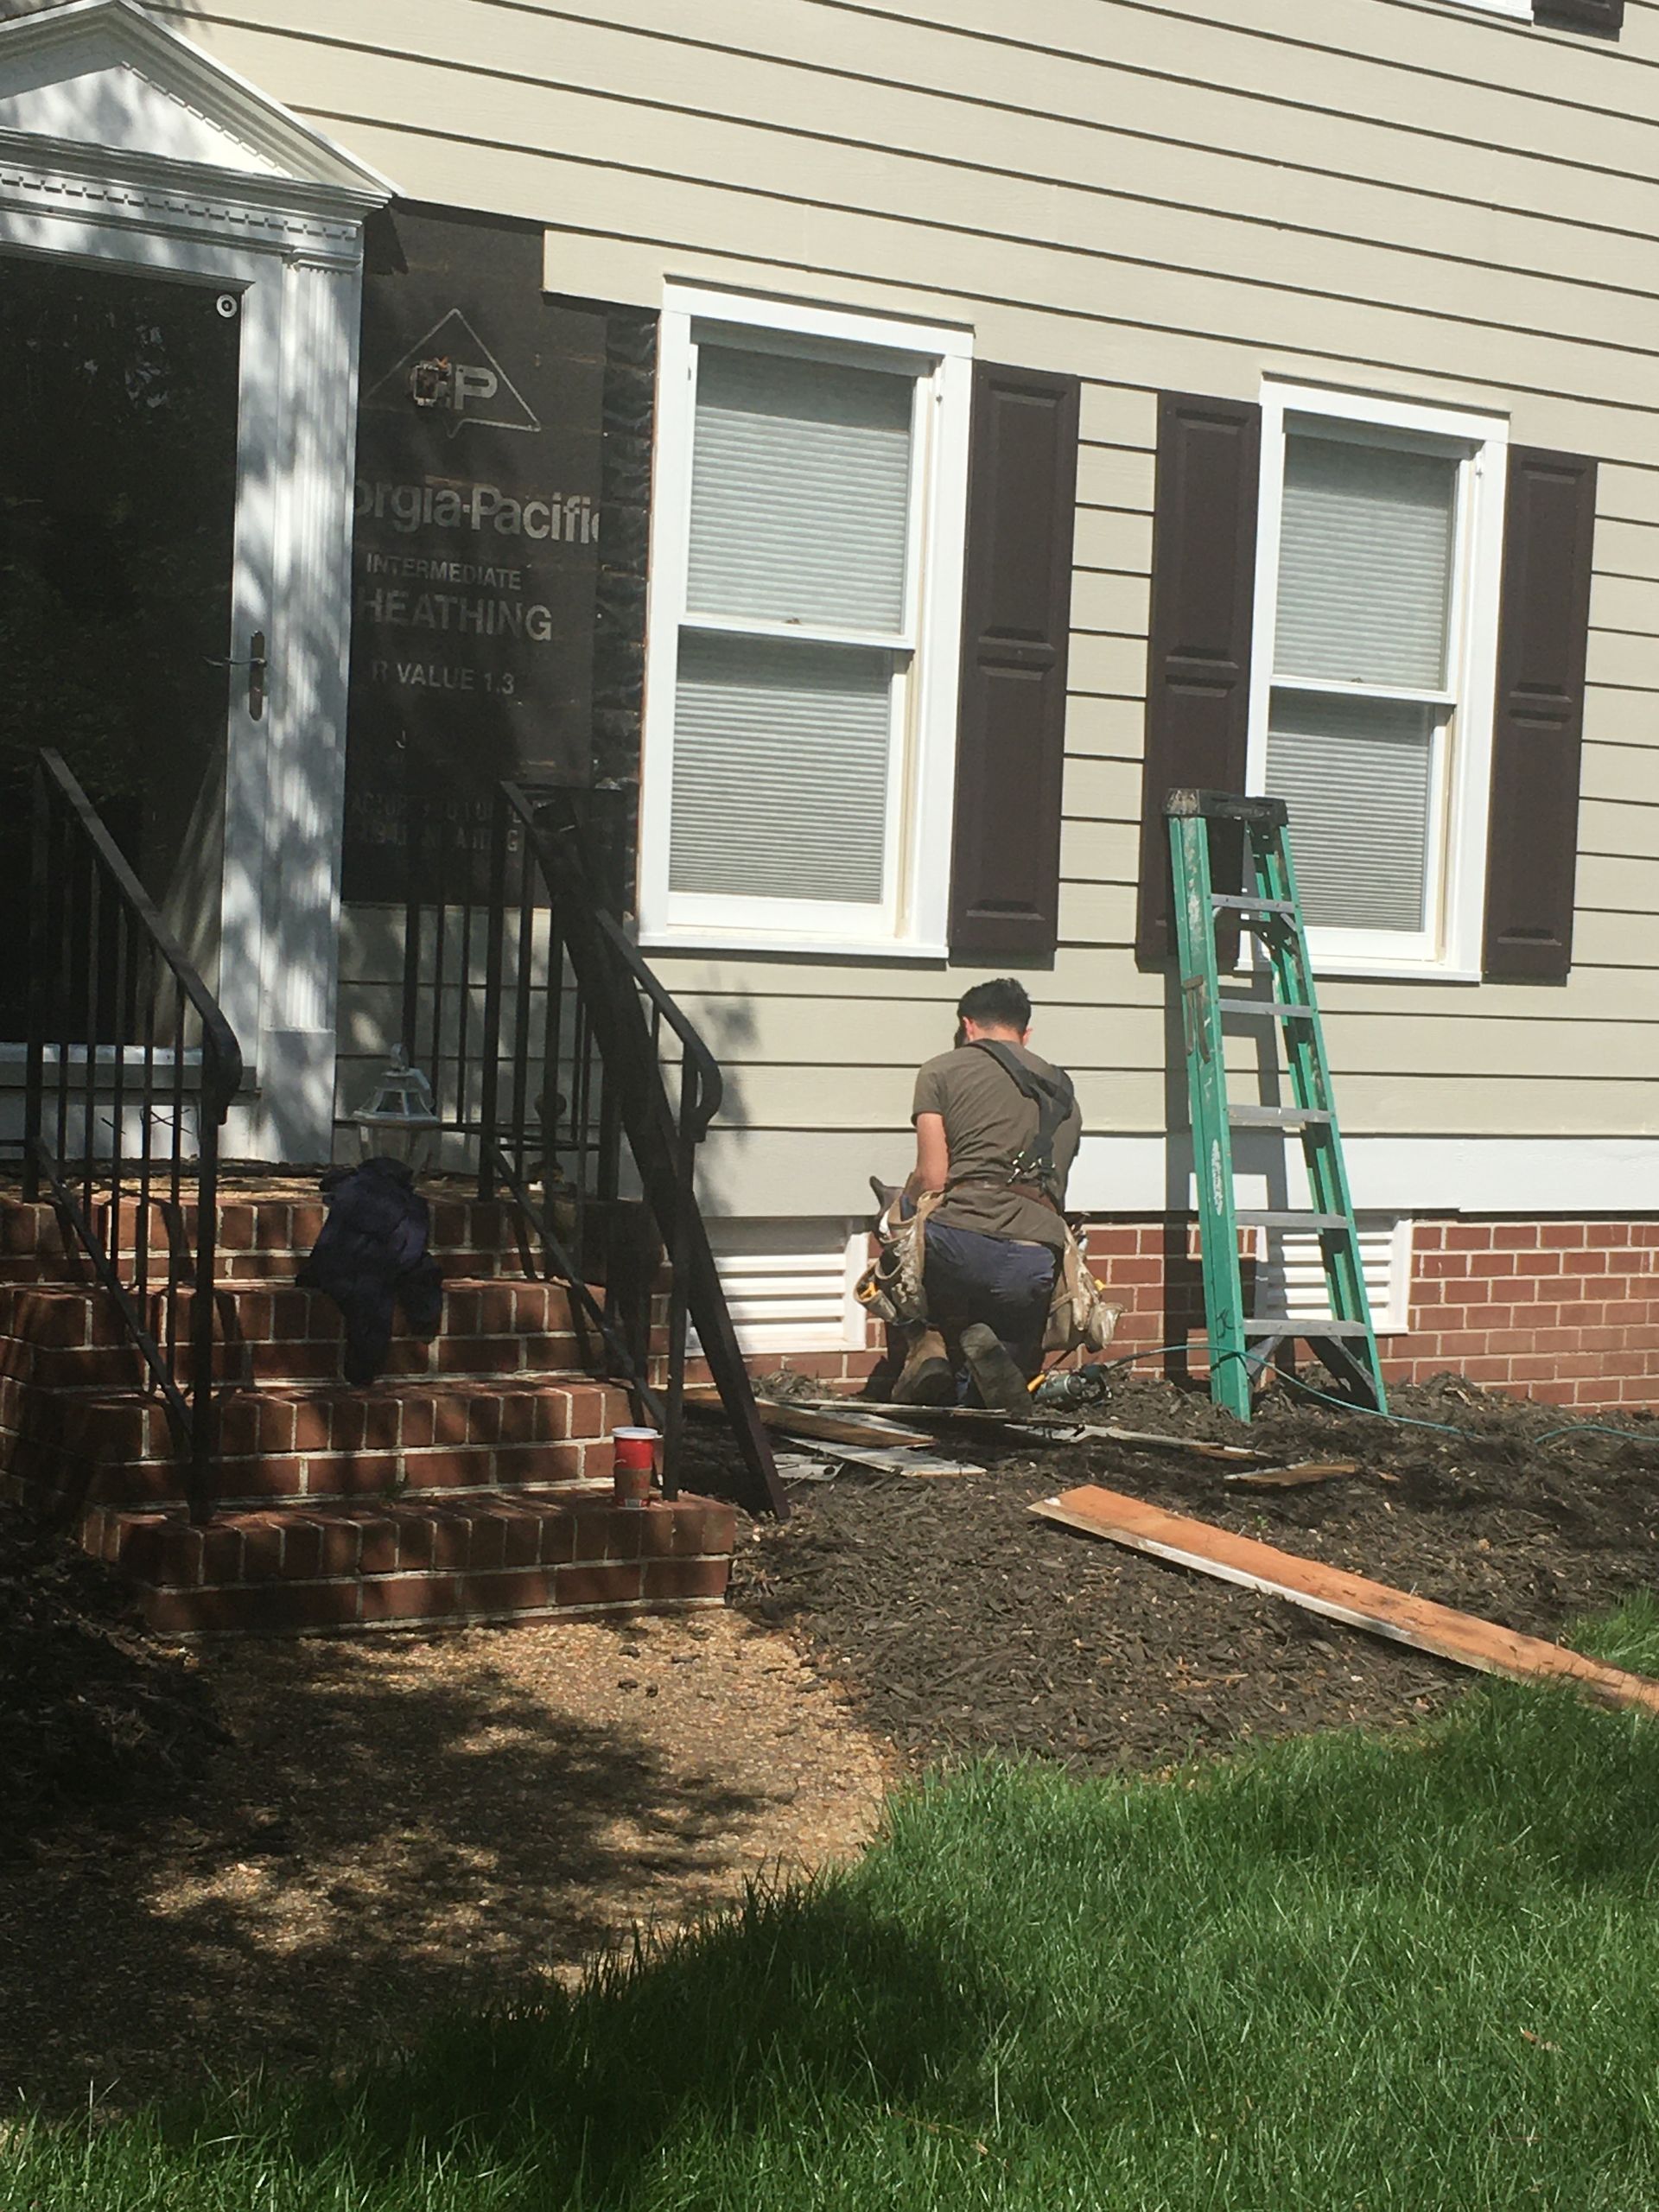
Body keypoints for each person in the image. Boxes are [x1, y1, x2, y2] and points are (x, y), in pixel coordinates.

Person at [893, 977, 1082, 1411]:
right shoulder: (1065, 1091)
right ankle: (988, 1387)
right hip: (1038, 1253)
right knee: (1005, 1361)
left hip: (963, 1241)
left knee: (902, 1233)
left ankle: (928, 1346)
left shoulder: (941, 1070)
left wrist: (901, 1206)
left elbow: (933, 1176)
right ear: (1025, 1033)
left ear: (968, 1026)